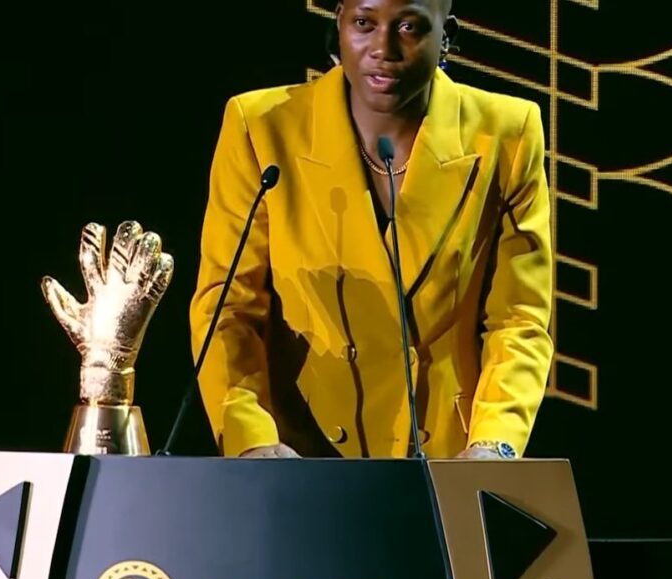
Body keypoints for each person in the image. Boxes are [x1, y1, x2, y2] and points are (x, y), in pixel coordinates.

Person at [188, 0, 553, 460]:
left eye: (408, 26)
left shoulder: (509, 133)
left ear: (447, 34)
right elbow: (227, 309)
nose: (382, 47)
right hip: (300, 459)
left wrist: (494, 445)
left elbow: (519, 319)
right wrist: (251, 440)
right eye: (364, 23)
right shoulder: (261, 127)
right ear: (339, 23)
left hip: (447, 462)